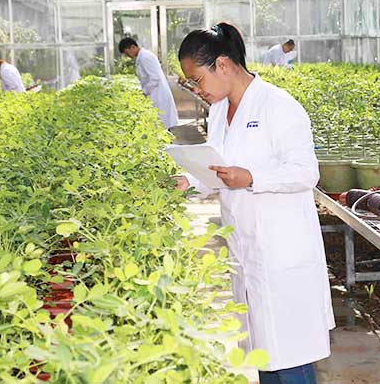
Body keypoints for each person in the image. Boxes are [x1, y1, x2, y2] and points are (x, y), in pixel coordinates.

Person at [176, 22, 334, 383]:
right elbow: (218, 165)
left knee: (291, 360)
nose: (197, 90)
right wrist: (190, 181)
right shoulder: (220, 111)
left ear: (223, 65)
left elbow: (306, 172)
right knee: (263, 355)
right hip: (245, 251)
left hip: (281, 255)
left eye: (197, 80)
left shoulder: (279, 106)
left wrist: (253, 178)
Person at [118, 37, 179, 129]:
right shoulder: (142, 57)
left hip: (158, 95)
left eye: (127, 53)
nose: (127, 56)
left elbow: (155, 78)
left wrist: (144, 91)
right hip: (155, 93)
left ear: (133, 47)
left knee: (161, 126)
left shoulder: (145, 57)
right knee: (159, 126)